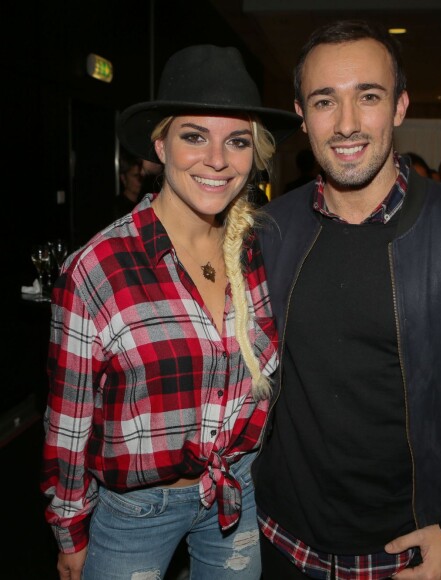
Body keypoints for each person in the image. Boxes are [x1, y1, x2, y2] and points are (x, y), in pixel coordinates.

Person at [252, 19, 441, 580]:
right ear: (302, 115)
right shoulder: (267, 232)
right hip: (279, 545)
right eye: (325, 102)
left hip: (414, 557)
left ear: (401, 106)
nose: (348, 124)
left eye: (369, 97)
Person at [40, 44, 301, 580]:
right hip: (136, 513)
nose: (217, 159)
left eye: (237, 141)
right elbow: (68, 422)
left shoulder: (261, 251)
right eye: (193, 136)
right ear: (160, 144)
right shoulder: (98, 268)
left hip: (236, 490)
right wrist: (69, 530)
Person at [115, 150, 144, 218]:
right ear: (123, 178)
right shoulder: (117, 208)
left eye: (142, 176)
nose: (140, 180)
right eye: (135, 175)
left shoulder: (144, 203)